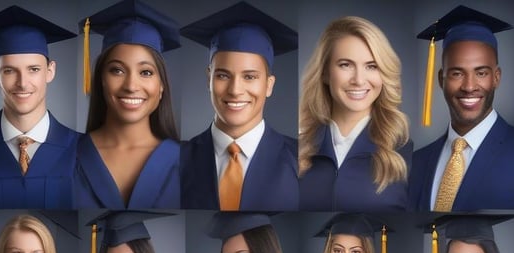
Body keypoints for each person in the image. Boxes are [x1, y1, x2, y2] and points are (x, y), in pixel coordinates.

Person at [179, 3, 299, 210]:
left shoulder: (302, 160)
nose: (235, 90)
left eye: (250, 76)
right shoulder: (175, 161)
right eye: (223, 75)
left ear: (269, 85)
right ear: (209, 78)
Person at [409, 6, 514, 210]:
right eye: (457, 73)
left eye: (481, 73)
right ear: (440, 79)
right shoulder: (416, 163)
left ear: (496, 77)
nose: (469, 86)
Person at [0, 6, 80, 208]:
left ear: (50, 71)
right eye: (10, 70)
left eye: (34, 69)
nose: (22, 83)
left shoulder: (84, 150)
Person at [75, 0, 182, 209]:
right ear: (100, 80)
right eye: (117, 70)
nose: (131, 85)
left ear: (161, 85)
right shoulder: (67, 156)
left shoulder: (190, 164)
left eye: (146, 72)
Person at [298, 15, 411, 211]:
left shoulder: (405, 154)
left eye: (371, 66)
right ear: (325, 73)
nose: (359, 80)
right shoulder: (296, 149)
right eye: (345, 65)